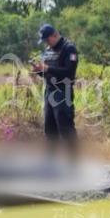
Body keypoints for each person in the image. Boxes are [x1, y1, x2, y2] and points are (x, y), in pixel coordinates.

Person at [31, 24, 79, 154]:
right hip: (49, 92)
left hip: (64, 92)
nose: (46, 42)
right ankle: (51, 161)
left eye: (47, 39)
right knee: (50, 128)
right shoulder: (48, 50)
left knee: (65, 128)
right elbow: (46, 72)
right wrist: (38, 71)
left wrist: (47, 68)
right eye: (44, 40)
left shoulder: (69, 48)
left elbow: (69, 72)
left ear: (55, 35)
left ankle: (73, 161)